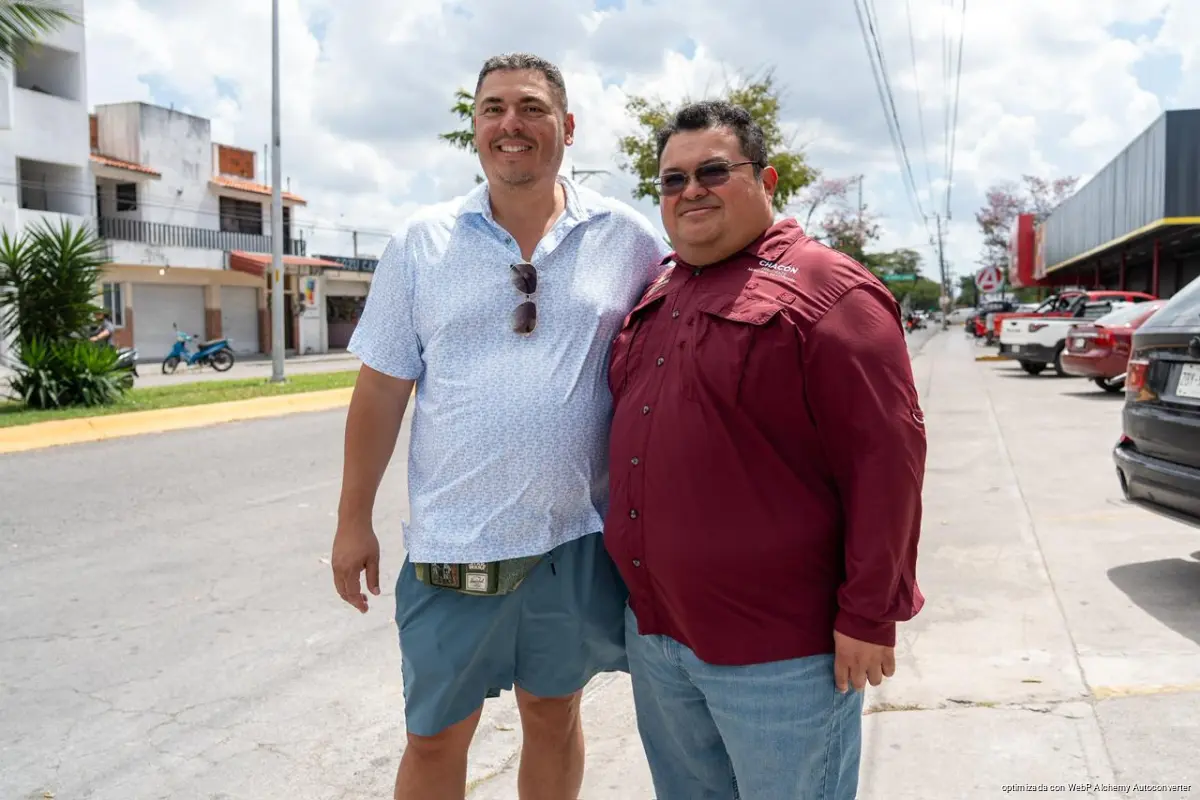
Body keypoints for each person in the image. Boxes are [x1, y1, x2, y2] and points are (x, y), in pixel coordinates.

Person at [330, 53, 669, 800]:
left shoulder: (627, 238)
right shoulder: (423, 242)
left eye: (531, 108)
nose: (510, 123)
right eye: (493, 109)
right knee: (434, 736)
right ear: (476, 128)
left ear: (567, 127)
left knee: (554, 713)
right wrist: (353, 521)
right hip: (455, 545)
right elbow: (382, 388)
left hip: (573, 542)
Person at [604, 101, 927, 800]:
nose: (691, 190)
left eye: (713, 171)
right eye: (673, 179)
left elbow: (887, 465)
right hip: (659, 639)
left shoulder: (831, 291)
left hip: (780, 655)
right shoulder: (659, 289)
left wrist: (870, 614)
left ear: (767, 179)